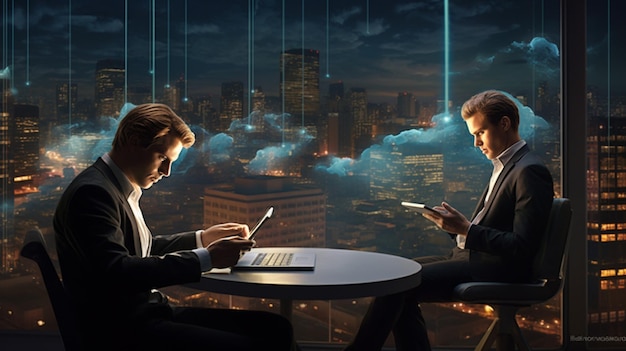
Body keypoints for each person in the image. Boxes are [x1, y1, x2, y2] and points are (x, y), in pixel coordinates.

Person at [54, 103, 297, 351]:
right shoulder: (93, 193)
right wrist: (208, 258)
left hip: (144, 316)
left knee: (278, 328)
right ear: (134, 141)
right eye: (162, 157)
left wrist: (202, 238)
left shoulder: (113, 187)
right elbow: (117, 271)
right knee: (269, 339)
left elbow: (140, 251)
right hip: (125, 332)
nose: (166, 172)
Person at [344, 90, 554, 351]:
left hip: (497, 268)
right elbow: (492, 229)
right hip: (473, 257)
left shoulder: (528, 170)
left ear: (504, 124)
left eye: (480, 132)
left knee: (397, 286)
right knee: (396, 276)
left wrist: (467, 229)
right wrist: (457, 228)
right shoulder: (508, 166)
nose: (476, 143)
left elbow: (523, 246)